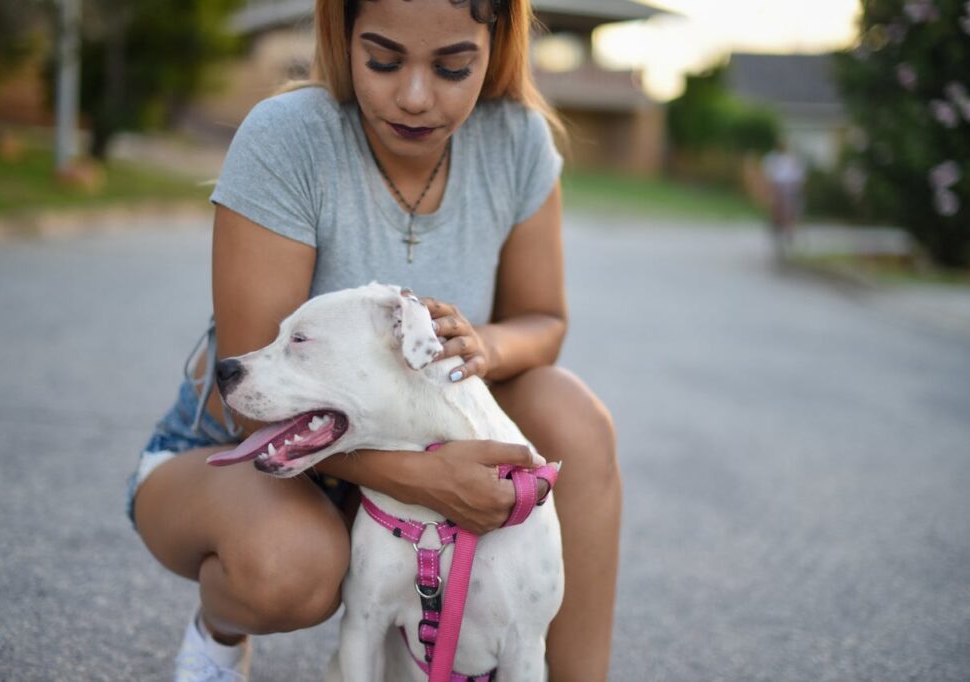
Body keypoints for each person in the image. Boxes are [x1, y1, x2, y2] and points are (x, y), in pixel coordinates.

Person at [127, 1, 621, 680]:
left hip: (418, 440)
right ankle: (221, 629)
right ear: (342, 34)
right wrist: (429, 481)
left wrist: (482, 346)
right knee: (289, 568)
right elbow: (250, 403)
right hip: (258, 457)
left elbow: (543, 319)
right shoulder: (287, 137)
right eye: (383, 60)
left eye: (453, 67)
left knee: (571, 413)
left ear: (497, 43)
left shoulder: (518, 139)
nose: (415, 97)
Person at [761, 141, 805, 256]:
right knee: (776, 209)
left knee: (791, 211)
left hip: (789, 188)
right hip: (778, 187)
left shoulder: (792, 159)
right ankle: (777, 230)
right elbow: (769, 175)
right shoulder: (772, 159)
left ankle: (789, 233)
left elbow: (797, 176)